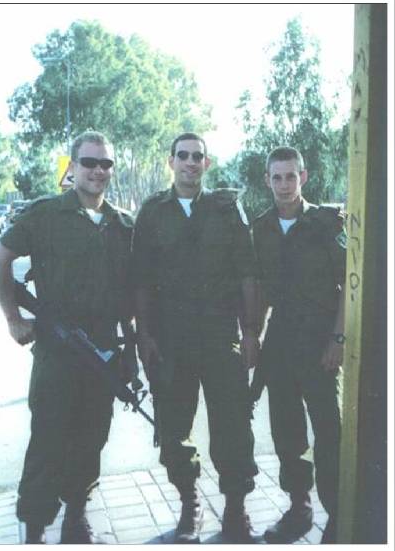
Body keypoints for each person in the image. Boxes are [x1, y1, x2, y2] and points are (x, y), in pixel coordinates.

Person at [0, 131, 137, 544]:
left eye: (105, 164)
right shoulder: (46, 215)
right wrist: (14, 319)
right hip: (57, 349)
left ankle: (76, 519)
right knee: (48, 440)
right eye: (89, 162)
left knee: (92, 437)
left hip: (102, 350)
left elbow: (129, 295)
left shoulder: (122, 224)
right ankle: (34, 531)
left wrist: (131, 351)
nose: (98, 171)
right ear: (72, 168)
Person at [132, 133, 262, 544]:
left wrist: (251, 332)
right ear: (171, 161)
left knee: (233, 425)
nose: (190, 162)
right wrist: (143, 335)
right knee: (173, 426)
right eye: (183, 155)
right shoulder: (152, 212)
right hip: (171, 340)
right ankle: (190, 502)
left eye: (198, 156)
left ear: (207, 163)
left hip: (221, 336)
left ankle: (236, 507)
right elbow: (140, 281)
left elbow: (248, 274)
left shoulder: (227, 209)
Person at [252, 146, 346, 544]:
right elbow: (259, 289)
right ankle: (299, 507)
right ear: (267, 181)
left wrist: (338, 338)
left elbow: (348, 285)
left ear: (303, 177)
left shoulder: (326, 222)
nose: (284, 184)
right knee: (286, 430)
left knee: (329, 431)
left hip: (321, 343)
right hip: (281, 344)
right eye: (277, 177)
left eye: (291, 176)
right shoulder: (261, 227)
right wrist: (253, 336)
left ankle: (338, 514)